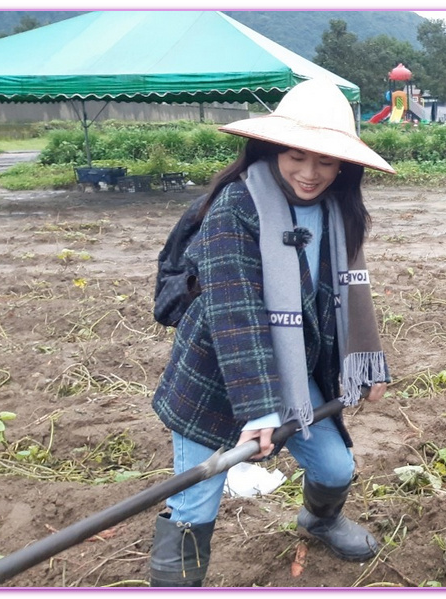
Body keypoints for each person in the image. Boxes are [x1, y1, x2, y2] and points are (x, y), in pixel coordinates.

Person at [147, 78, 395, 587]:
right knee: (195, 501)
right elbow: (234, 309)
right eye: (297, 156)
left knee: (334, 468)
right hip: (215, 376)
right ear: (271, 147)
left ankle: (319, 520)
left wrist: (366, 364)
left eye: (326, 161)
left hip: (293, 367)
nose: (311, 173)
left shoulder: (338, 211)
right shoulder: (234, 206)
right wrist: (258, 408)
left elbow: (347, 300)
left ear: (345, 165)